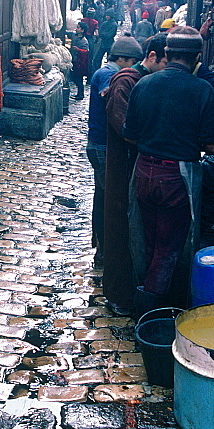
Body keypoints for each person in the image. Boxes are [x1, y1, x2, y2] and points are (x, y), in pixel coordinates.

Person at [122, 27, 214, 314]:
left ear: (167, 53)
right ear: (197, 58)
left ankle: (144, 300)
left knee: (146, 240)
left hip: (143, 171)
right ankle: (152, 314)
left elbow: (130, 135)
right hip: (177, 176)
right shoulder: (201, 90)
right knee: (169, 247)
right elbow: (213, 146)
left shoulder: (144, 84)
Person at [103, 34, 167, 315]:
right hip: (124, 167)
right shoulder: (127, 80)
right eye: (165, 62)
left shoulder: (151, 82)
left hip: (142, 166)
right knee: (120, 228)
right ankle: (119, 295)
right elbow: (122, 124)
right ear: (151, 57)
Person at [87, 36, 143, 263]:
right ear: (121, 58)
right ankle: (104, 248)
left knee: (102, 195)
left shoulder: (108, 72)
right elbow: (109, 93)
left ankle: (102, 245)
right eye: (131, 62)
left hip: (99, 143)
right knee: (107, 198)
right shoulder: (108, 74)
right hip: (102, 145)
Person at [70, 22, 90, 100]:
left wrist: (78, 50)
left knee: (79, 79)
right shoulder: (74, 36)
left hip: (79, 62)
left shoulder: (84, 41)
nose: (76, 29)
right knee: (75, 78)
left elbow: (86, 52)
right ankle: (79, 94)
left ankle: (80, 94)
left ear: (82, 30)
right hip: (74, 60)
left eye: (78, 28)